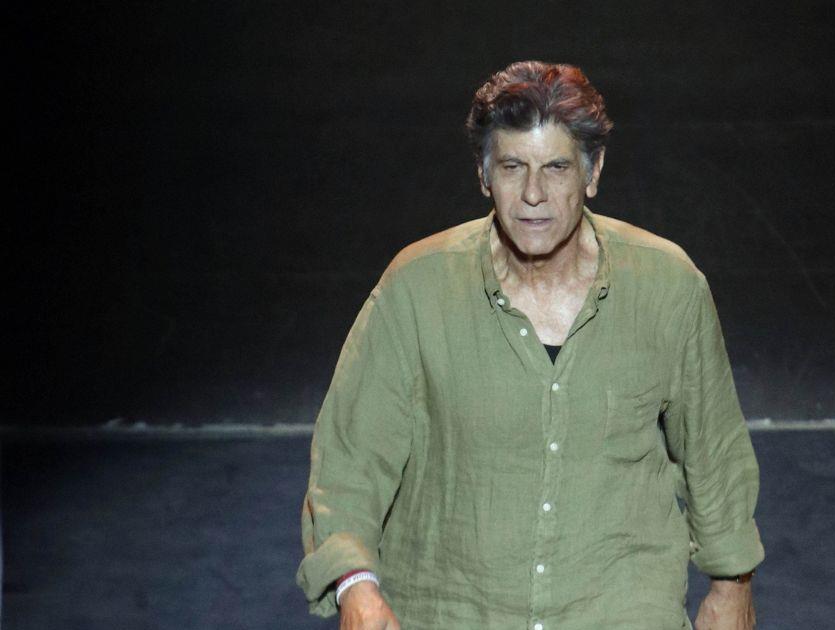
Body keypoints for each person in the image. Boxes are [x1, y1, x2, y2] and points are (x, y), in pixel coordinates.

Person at [296, 60, 764, 630]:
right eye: (512, 167)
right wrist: (356, 585)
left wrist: (731, 585)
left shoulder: (668, 288)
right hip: (455, 610)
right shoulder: (416, 289)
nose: (533, 195)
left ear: (592, 172)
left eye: (556, 168)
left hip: (616, 609)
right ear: (483, 174)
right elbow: (350, 458)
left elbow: (714, 452)